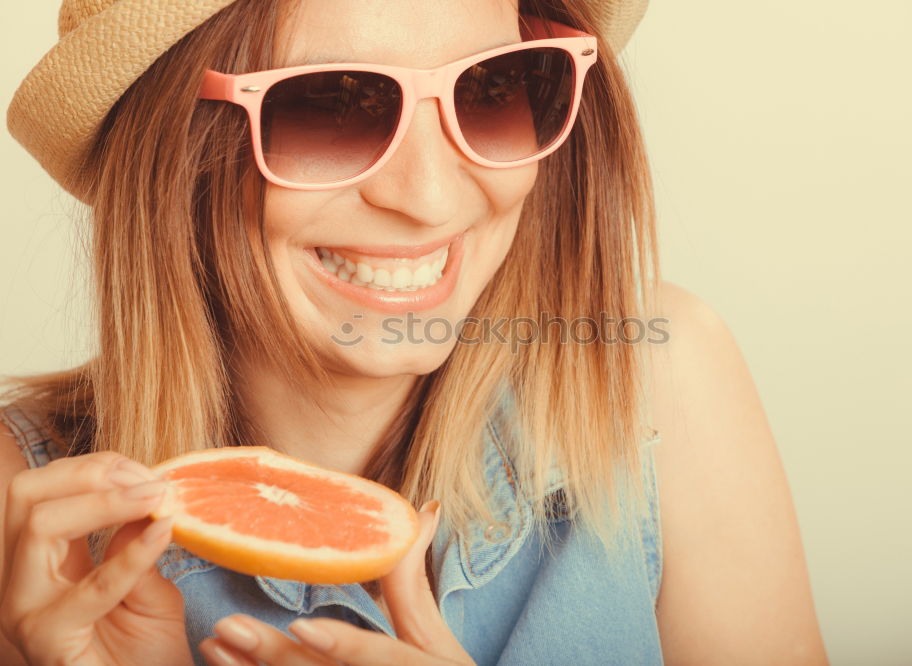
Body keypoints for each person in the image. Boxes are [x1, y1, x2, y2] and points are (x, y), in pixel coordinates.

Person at [0, 0, 829, 664]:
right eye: (331, 105)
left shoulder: (659, 382)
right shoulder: (32, 531)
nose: (429, 197)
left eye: (492, 88)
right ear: (171, 154)